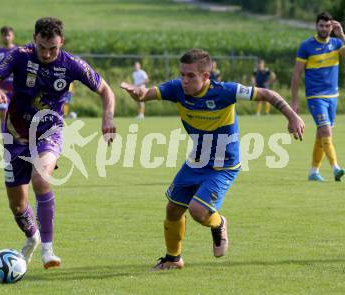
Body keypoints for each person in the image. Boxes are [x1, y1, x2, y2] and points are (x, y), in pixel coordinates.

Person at [121, 49, 304, 271]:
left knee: (198, 211)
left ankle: (219, 223)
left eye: (191, 76)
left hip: (223, 165)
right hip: (197, 160)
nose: (185, 80)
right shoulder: (176, 89)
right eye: (182, 74)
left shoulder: (226, 91)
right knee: (173, 209)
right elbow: (147, 93)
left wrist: (292, 116)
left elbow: (267, 94)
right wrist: (139, 93)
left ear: (206, 77)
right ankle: (173, 258)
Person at [0, 17, 116, 269]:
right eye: (42, 47)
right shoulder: (19, 56)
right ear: (35, 39)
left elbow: (106, 90)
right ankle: (32, 238)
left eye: (53, 48)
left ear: (61, 42)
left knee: (41, 179)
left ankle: (48, 250)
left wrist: (107, 117)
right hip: (15, 134)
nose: (47, 53)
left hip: (49, 131)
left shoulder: (72, 64)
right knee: (17, 205)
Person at [291, 11, 345, 182]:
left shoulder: (337, 44)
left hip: (333, 96)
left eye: (327, 26)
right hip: (316, 97)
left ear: (332, 26)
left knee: (321, 133)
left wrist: (342, 34)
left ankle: (313, 171)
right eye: (321, 25)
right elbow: (297, 74)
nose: (324, 29)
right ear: (316, 26)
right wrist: (294, 101)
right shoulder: (306, 46)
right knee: (326, 130)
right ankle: (336, 168)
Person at [0, 26, 17, 132]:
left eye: (9, 35)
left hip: (17, 90)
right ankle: (5, 137)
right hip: (2, 91)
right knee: (3, 112)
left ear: (13, 36)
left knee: (18, 115)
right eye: (4, 35)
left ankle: (19, 140)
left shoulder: (18, 51)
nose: (7, 37)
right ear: (1, 37)